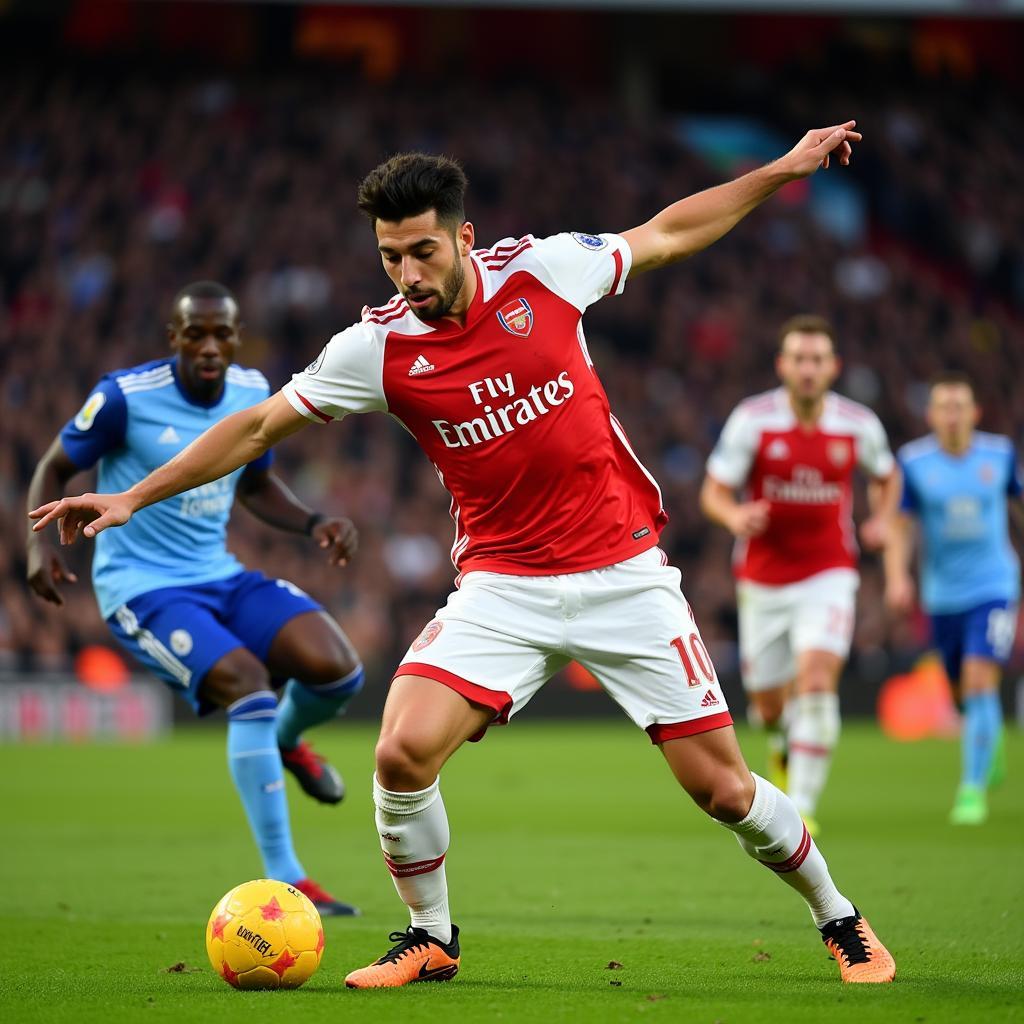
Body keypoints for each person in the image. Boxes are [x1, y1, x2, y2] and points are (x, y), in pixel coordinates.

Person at [31, 125, 897, 986]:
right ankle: (430, 936)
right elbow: (258, 427)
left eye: (422, 253)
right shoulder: (376, 348)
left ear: (463, 237)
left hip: (624, 577)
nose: (408, 276)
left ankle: (839, 915)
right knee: (400, 753)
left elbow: (669, 231)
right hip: (502, 588)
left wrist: (784, 169)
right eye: (390, 258)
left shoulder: (545, 272)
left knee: (725, 792)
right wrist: (132, 495)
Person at [26, 281, 365, 916]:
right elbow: (52, 467)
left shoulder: (251, 389)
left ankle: (286, 742)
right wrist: (35, 546)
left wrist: (313, 520)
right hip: (144, 587)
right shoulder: (124, 397)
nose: (209, 346)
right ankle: (290, 878)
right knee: (248, 683)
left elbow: (257, 485)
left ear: (237, 340)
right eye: (196, 334)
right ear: (173, 339)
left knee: (340, 670)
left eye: (222, 335)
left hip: (219, 574)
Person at [700, 315, 899, 834]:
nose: (808, 369)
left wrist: (881, 517)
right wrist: (734, 516)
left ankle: (803, 804)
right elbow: (714, 491)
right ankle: (781, 741)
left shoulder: (857, 423)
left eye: (817, 360)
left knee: (815, 679)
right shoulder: (754, 419)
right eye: (799, 359)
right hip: (763, 577)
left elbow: (886, 475)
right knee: (768, 707)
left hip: (829, 571)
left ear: (833, 367)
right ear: (782, 365)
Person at [885, 372, 1021, 825]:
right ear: (931, 416)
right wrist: (897, 576)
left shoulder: (999, 455)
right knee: (961, 692)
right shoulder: (915, 463)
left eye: (959, 406)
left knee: (980, 680)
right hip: (942, 595)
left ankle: (971, 790)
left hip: (994, 586)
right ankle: (989, 737)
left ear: (975, 413)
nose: (952, 415)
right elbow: (900, 526)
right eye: (943, 407)